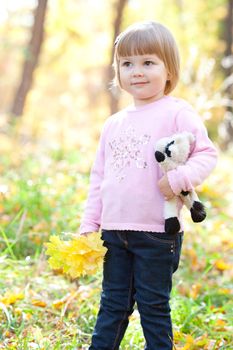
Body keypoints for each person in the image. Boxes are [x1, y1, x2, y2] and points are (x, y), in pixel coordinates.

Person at [79, 21, 218, 350]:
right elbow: (99, 178)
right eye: (127, 64)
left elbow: (206, 154)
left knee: (154, 308)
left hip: (157, 233)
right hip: (114, 232)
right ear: (118, 72)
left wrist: (177, 180)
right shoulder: (113, 123)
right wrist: (90, 223)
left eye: (148, 62)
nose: (137, 71)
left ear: (169, 69)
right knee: (112, 305)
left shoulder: (177, 112)